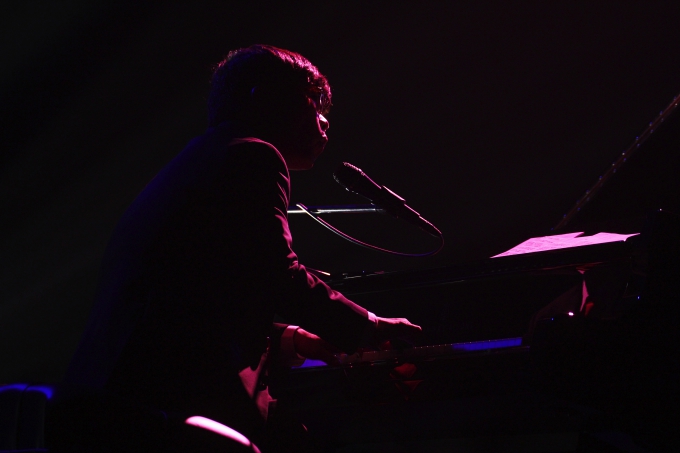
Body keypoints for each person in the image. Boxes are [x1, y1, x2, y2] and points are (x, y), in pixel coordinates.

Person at [58, 45, 421, 451]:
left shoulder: (205, 157)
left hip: (109, 400)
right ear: (261, 97)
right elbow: (276, 272)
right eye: (312, 99)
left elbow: (198, 297)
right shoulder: (252, 154)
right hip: (151, 409)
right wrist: (368, 325)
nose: (324, 121)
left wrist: (295, 340)